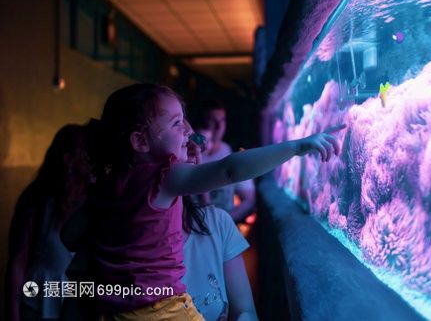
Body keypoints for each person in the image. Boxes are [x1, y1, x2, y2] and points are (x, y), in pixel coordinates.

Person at [86, 83, 343, 321]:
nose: (188, 129)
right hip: (161, 309)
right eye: (177, 123)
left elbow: (71, 235)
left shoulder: (109, 185)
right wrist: (297, 147)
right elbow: (230, 170)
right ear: (140, 141)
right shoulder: (162, 177)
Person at [5, 124, 93, 321]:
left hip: (76, 304)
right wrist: (12, 314)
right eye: (85, 153)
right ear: (68, 160)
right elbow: (17, 264)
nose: (91, 159)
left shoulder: (95, 201)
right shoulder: (38, 200)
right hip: (37, 303)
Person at [182, 122, 257, 321]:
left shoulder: (218, 223)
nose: (195, 151)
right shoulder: (115, 239)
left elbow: (246, 311)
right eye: (175, 126)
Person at [196, 100, 255, 223]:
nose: (218, 127)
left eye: (222, 120)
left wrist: (225, 223)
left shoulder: (232, 154)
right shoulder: (188, 156)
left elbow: (249, 199)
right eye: (212, 120)